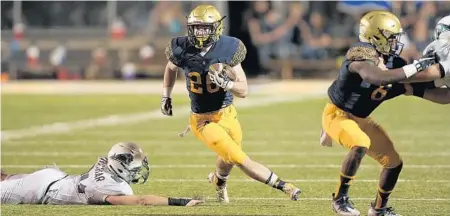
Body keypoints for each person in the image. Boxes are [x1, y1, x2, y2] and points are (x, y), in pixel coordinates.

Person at [160, 4, 301, 203]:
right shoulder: (180, 47)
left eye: (204, 28)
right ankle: (284, 185)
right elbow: (170, 67)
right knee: (237, 156)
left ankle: (218, 181)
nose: (199, 33)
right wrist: (166, 95)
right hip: (202, 120)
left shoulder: (229, 47)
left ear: (216, 28)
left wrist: (227, 83)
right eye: (196, 27)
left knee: (228, 158)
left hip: (227, 114)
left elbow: (243, 90)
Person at [320, 11, 448, 216]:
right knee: (360, 142)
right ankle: (339, 199)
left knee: (393, 162)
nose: (396, 41)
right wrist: (416, 67)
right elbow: (376, 77)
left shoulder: (394, 64)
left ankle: (378, 209)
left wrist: (442, 72)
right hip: (337, 114)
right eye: (392, 37)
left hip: (360, 118)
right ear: (375, 36)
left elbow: (430, 89)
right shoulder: (360, 52)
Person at [1, 142, 202, 206]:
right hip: (43, 188)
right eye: (134, 165)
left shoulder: (107, 163)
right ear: (121, 165)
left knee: (5, 178)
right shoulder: (112, 186)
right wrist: (180, 202)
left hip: (52, 178)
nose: (137, 169)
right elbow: (141, 200)